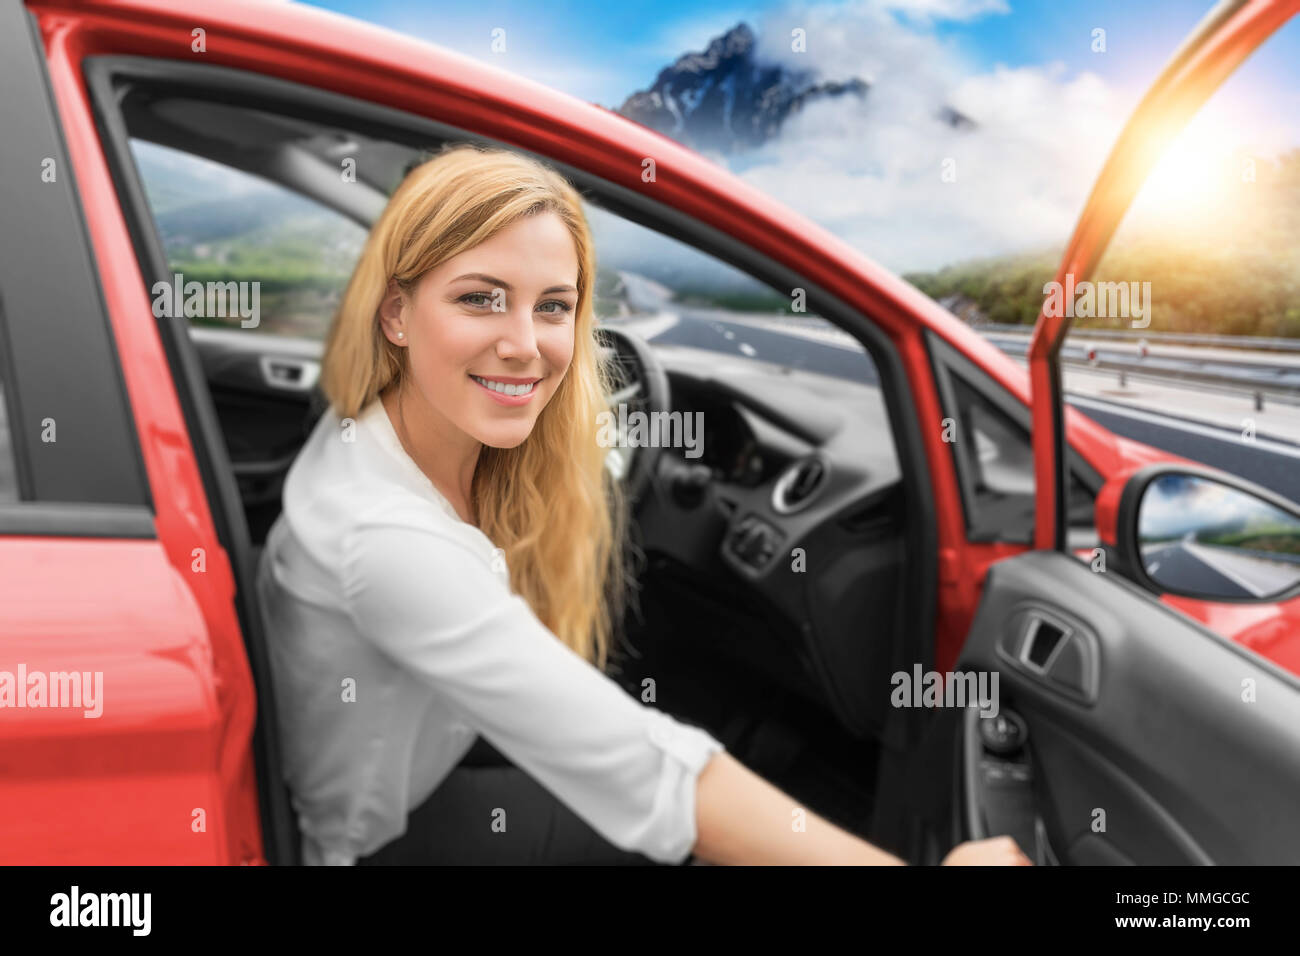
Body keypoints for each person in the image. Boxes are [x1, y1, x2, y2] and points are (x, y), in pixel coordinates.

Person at [255, 142, 1031, 867]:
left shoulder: (374, 427)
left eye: (554, 307)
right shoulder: (391, 539)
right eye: (481, 299)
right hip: (363, 842)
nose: (526, 344)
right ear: (396, 314)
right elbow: (648, 772)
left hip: (393, 765)